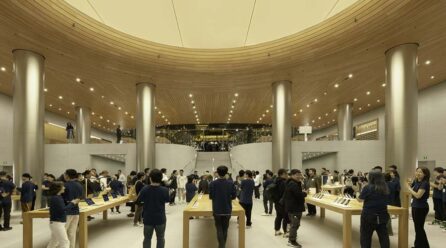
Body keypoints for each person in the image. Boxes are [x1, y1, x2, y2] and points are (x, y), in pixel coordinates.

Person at [136, 169, 170, 248]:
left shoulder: (144, 189)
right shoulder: (165, 190)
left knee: (147, 239)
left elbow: (138, 201)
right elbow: (167, 200)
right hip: (160, 218)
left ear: (150, 178)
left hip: (148, 218)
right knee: (160, 238)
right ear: (161, 178)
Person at [358, 170, 390, 248]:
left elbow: (360, 199)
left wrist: (359, 192)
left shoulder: (368, 187)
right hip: (383, 215)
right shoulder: (385, 187)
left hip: (368, 215)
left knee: (365, 237)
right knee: (384, 237)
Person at [209, 166, 237, 248]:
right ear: (226, 173)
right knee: (225, 229)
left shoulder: (213, 183)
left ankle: (221, 246)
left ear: (217, 173)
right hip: (227, 208)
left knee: (219, 228)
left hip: (217, 209)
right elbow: (234, 196)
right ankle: (222, 246)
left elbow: (211, 197)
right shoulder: (231, 183)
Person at [47, 181, 80, 248]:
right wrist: (72, 203)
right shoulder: (56, 198)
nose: (64, 188)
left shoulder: (57, 197)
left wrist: (70, 203)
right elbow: (63, 209)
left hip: (56, 223)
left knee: (53, 242)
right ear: (58, 188)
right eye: (63, 187)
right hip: (57, 223)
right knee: (65, 242)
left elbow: (61, 207)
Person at [406, 167, 430, 248]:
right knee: (417, 228)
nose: (418, 173)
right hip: (415, 206)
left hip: (421, 208)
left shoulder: (425, 183)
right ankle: (419, 245)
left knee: (419, 228)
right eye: (417, 171)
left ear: (425, 174)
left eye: (420, 172)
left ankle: (424, 246)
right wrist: (409, 184)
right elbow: (409, 186)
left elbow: (418, 195)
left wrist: (409, 188)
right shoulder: (416, 181)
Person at [284, 169, 307, 248]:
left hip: (293, 207)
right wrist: (304, 193)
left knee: (294, 224)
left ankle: (293, 237)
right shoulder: (293, 184)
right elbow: (298, 195)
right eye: (297, 174)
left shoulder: (293, 183)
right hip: (294, 208)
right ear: (292, 175)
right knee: (295, 224)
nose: (299, 176)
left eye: (300, 174)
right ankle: (291, 241)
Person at [63, 169, 83, 248]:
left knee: (62, 233)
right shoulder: (79, 185)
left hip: (66, 211)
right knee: (72, 233)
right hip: (76, 211)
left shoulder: (65, 185)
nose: (64, 175)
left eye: (64, 174)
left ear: (67, 175)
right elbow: (80, 197)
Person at [272, 168, 289, 236]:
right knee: (286, 217)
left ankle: (277, 231)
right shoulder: (283, 182)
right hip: (283, 202)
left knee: (278, 216)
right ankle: (286, 232)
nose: (287, 175)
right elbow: (284, 193)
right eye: (286, 174)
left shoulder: (276, 180)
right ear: (282, 174)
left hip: (277, 202)